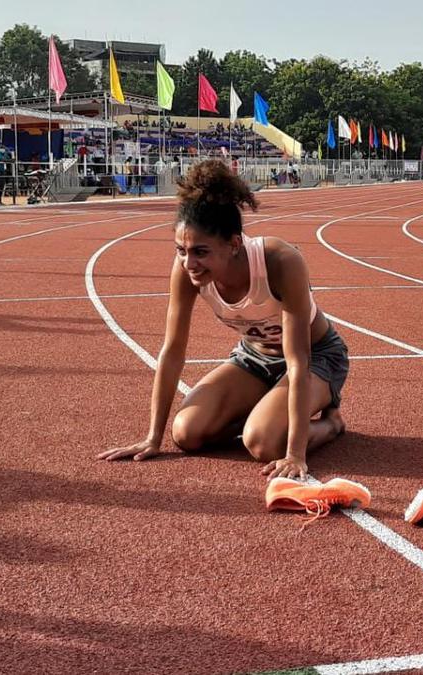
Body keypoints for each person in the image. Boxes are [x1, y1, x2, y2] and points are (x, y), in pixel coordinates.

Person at [98, 160, 349, 482]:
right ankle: (264, 411)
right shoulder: (187, 272)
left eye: (200, 252)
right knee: (187, 433)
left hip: (315, 358)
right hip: (254, 357)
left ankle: (331, 423)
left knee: (264, 443)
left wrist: (295, 454)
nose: (189, 262)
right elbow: (172, 351)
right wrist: (153, 437)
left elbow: (298, 361)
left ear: (233, 243)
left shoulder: (280, 261)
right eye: (180, 250)